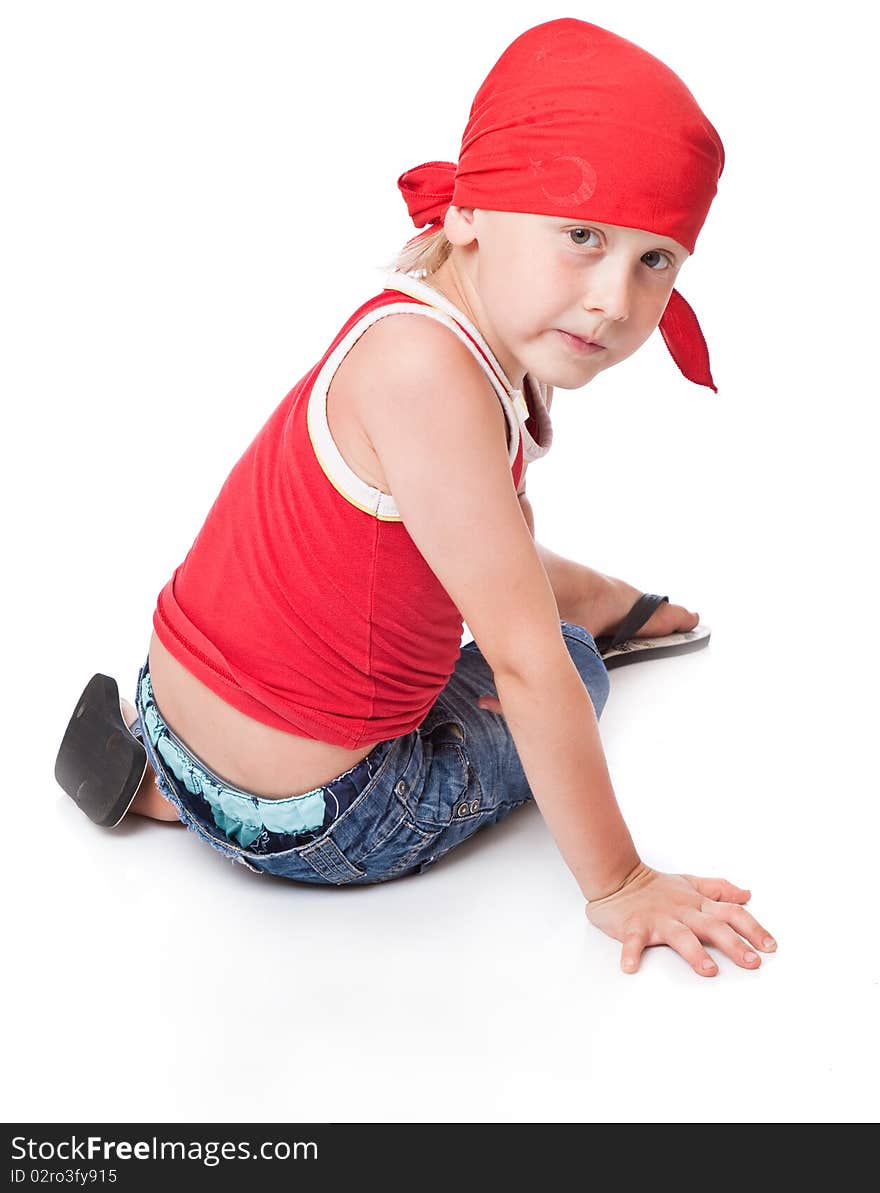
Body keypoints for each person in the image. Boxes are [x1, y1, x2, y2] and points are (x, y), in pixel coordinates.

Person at [55, 17, 777, 977]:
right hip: (326, 816)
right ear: (472, 211)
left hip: (170, 699)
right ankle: (214, 811)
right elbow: (523, 667)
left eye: (656, 261)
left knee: (516, 610)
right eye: (582, 236)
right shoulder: (435, 382)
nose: (614, 298)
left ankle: (171, 781)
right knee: (568, 665)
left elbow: (472, 547)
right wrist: (620, 882)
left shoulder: (416, 328)